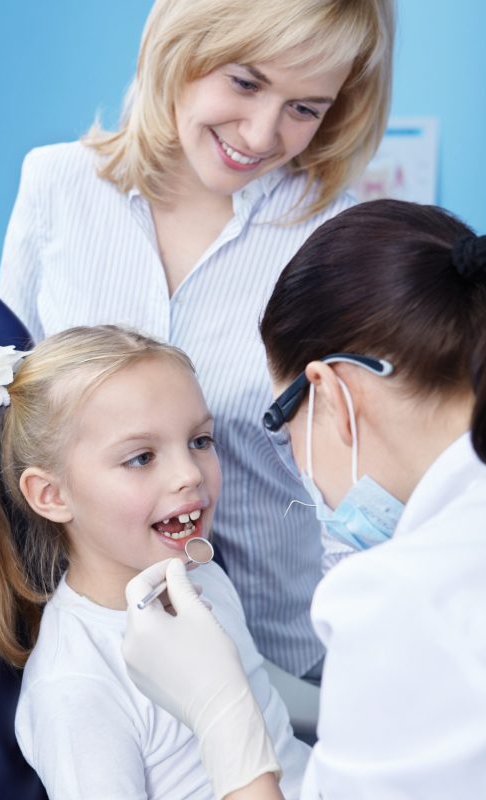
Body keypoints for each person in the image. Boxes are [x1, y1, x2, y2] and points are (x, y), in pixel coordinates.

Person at [0, 0, 395, 679]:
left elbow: (371, 477)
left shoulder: (335, 239)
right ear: (180, 47)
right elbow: (11, 420)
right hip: (93, 647)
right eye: (244, 81)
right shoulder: (55, 186)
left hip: (285, 652)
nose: (263, 132)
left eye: (306, 108)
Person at [122, 200, 486, 798]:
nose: (189, 478)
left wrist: (223, 717)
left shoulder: (401, 599)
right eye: (140, 457)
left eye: (279, 422)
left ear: (329, 392)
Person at [0, 325, 311, 799]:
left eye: (200, 441)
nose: (189, 475)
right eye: (141, 458)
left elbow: (271, 720)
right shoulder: (76, 690)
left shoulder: (199, 574)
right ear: (52, 495)